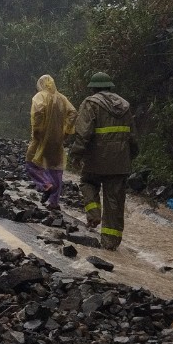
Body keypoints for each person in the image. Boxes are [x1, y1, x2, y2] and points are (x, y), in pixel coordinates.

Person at [67, 72, 139, 250]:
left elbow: (83, 133)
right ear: (109, 87)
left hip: (96, 160)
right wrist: (130, 157)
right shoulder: (125, 106)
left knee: (87, 182)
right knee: (114, 202)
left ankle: (94, 214)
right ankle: (110, 243)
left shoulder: (91, 104)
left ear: (93, 88)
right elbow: (133, 138)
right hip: (120, 163)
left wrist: (76, 154)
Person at [26, 74, 76, 211]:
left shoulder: (40, 96)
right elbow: (73, 113)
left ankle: (46, 184)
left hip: (41, 138)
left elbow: (38, 112)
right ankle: (54, 203)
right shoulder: (62, 98)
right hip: (57, 139)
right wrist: (66, 131)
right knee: (56, 169)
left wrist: (37, 129)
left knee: (31, 163)